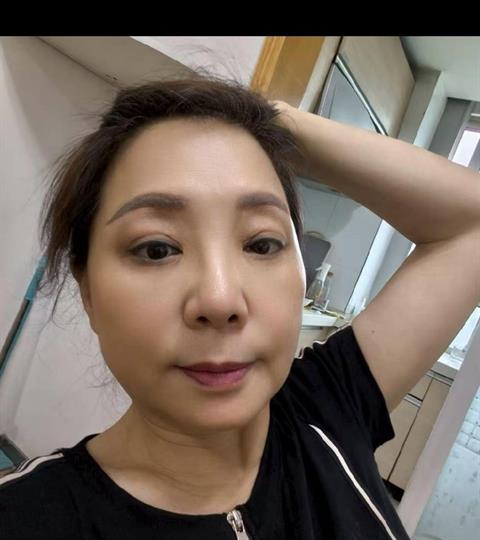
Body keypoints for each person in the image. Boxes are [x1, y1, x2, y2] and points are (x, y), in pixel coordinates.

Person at [1, 72, 479, 540]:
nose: (220, 299)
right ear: (87, 289)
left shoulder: (330, 408)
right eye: (156, 249)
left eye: (261, 244)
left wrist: (267, 119)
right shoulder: (24, 517)